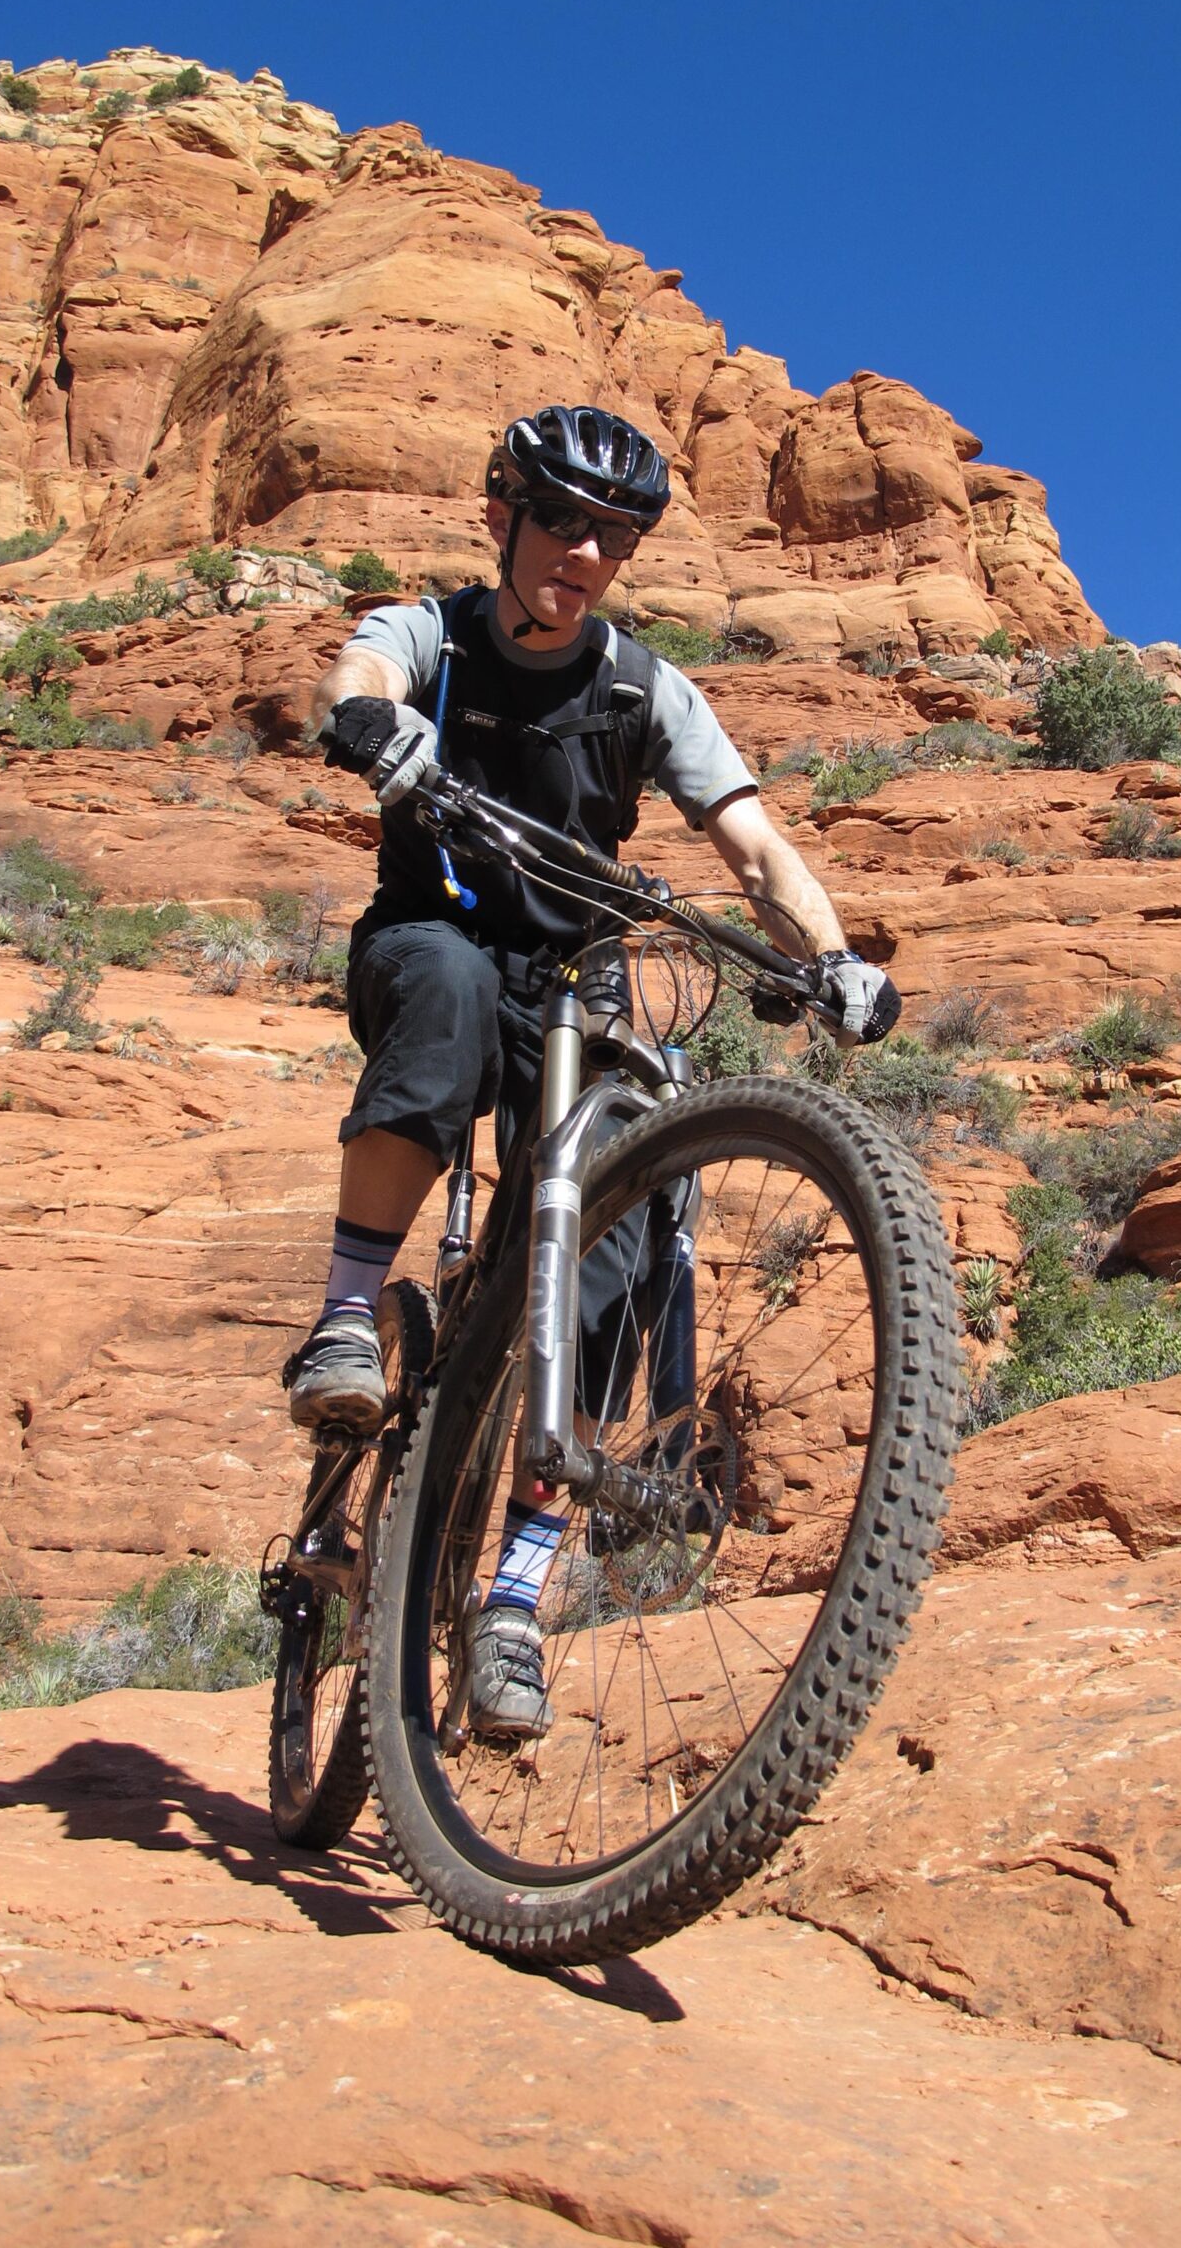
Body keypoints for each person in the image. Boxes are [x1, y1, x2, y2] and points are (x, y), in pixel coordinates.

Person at [284, 403, 901, 1735]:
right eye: (560, 519)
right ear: (502, 513)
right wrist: (374, 730)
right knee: (442, 997)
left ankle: (514, 1598)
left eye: (614, 534)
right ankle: (347, 1314)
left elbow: (751, 843)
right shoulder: (433, 634)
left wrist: (835, 954)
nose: (584, 551)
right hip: (439, 933)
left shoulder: (639, 687)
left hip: (576, 981)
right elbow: (358, 675)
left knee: (621, 1227)